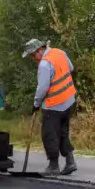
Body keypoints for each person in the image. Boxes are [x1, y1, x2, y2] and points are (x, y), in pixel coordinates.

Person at [22, 39, 77, 176]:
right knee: (63, 132)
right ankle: (70, 162)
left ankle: (53, 166)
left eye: (33, 55)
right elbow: (70, 68)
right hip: (69, 100)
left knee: (50, 135)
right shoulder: (60, 52)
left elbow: (42, 88)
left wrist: (36, 104)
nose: (33, 58)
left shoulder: (45, 64)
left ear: (40, 50)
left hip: (54, 105)